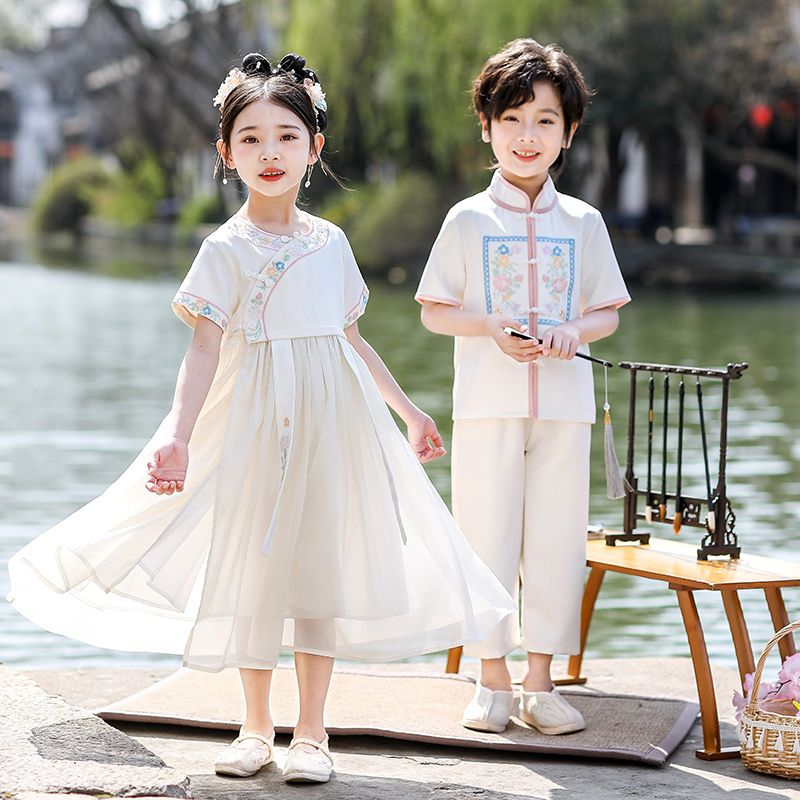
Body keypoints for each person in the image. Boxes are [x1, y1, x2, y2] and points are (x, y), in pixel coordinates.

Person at [8, 52, 514, 784]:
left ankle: (312, 733)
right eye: (250, 138)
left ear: (314, 149)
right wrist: (178, 436)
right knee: (255, 572)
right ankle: (254, 727)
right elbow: (203, 350)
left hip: (330, 427)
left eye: (285, 136)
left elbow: (351, 340)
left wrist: (407, 411)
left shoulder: (331, 242)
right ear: (225, 153)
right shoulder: (225, 248)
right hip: (253, 426)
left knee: (318, 574)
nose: (268, 153)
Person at [416, 39, 630, 736]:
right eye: (511, 119)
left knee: (557, 544)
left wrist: (575, 331)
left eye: (544, 120)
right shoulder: (467, 220)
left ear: (568, 131)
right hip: (488, 404)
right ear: (486, 126)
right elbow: (433, 308)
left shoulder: (585, 224)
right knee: (484, 539)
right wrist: (489, 326)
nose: (526, 135)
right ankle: (493, 679)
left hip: (565, 410)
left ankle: (542, 684)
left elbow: (607, 311)